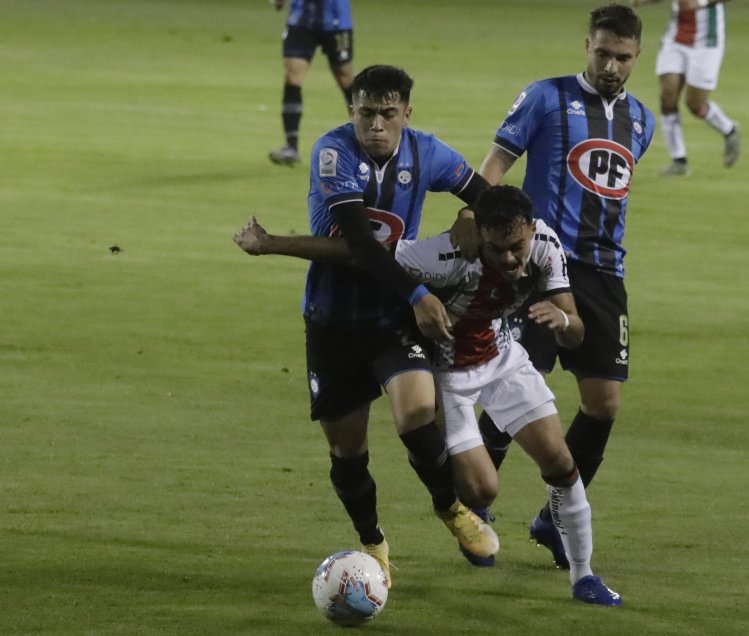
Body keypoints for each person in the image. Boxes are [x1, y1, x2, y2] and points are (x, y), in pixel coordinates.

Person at [236, 185, 623, 606]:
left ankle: (584, 577)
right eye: (497, 250)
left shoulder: (547, 247)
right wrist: (271, 243)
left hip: (503, 360)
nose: (509, 259)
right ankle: (453, 495)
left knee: (561, 463)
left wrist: (563, 319)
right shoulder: (443, 257)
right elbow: (358, 252)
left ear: (531, 229)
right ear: (480, 239)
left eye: (517, 246)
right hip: (448, 376)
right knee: (482, 490)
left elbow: (575, 333)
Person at [236, 64, 499, 583]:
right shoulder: (333, 153)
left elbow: (489, 198)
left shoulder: (430, 153)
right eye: (366, 113)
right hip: (333, 319)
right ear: (350, 111)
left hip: (389, 318)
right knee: (347, 450)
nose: (376, 124)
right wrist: (420, 292)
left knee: (418, 414)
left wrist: (471, 216)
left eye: (388, 113)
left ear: (406, 113)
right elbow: (359, 243)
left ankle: (450, 508)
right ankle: (372, 541)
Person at [454, 4, 655, 570]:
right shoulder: (545, 97)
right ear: (586, 45)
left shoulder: (642, 120)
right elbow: (495, 164)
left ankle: (555, 519)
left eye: (622, 56)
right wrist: (482, 229)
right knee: (517, 381)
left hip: (604, 271)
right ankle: (476, 510)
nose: (611, 65)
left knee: (604, 401)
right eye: (602, 52)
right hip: (539, 263)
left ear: (637, 56)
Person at [631, 0, 740, 175]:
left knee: (695, 105)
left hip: (707, 42)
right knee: (668, 95)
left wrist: (701, 2)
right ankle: (679, 159)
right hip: (675, 39)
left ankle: (729, 129)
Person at [268, 0, 355, 166]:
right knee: (293, 75)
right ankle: (291, 146)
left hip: (336, 22)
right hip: (301, 21)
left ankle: (368, 139)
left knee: (345, 77)